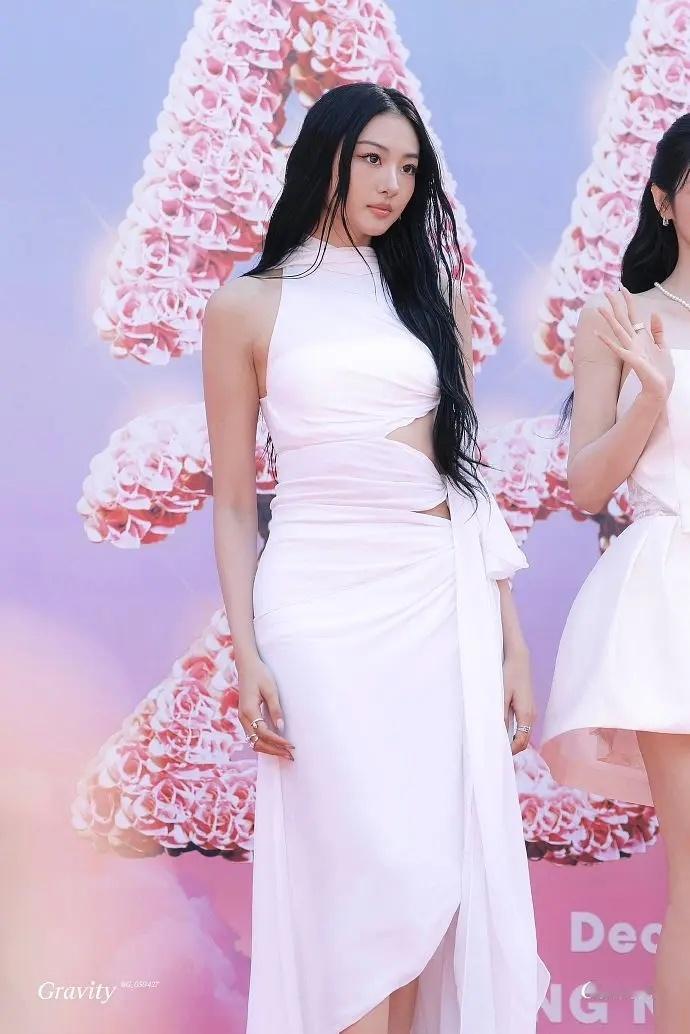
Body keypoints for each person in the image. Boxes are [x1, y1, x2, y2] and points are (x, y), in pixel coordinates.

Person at [202, 81, 549, 1034]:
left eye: (407, 167)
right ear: (325, 158)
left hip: (437, 600)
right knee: (359, 876)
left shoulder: (435, 300)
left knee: (426, 875)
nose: (391, 184)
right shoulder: (246, 306)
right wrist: (246, 650)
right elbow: (233, 503)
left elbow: (465, 476)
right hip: (316, 605)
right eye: (371, 160)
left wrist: (512, 639)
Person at [541, 113, 690, 1034]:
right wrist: (653, 398)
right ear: (664, 200)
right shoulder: (618, 318)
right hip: (673, 599)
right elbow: (586, 486)